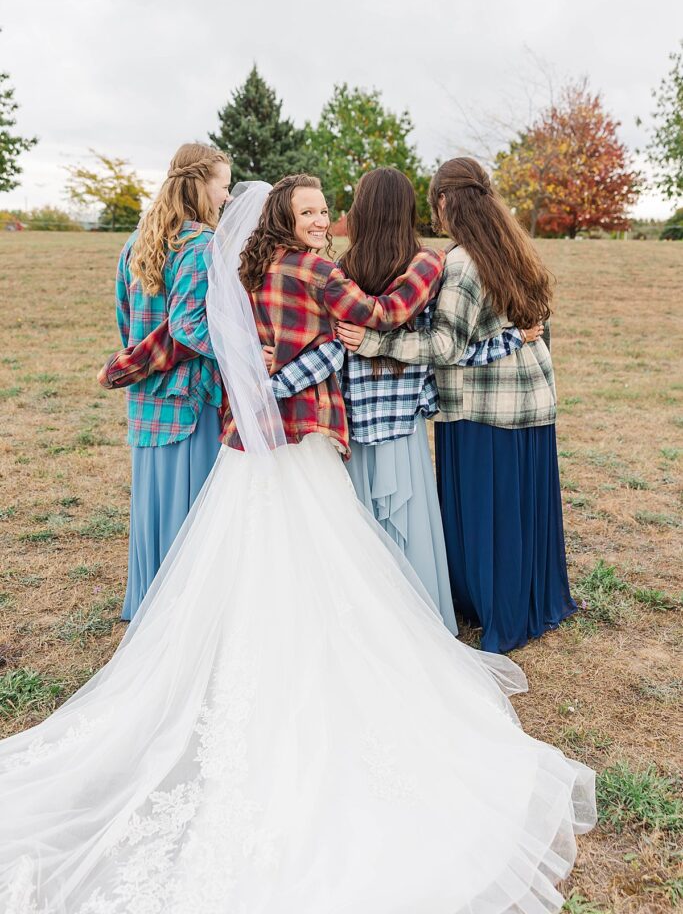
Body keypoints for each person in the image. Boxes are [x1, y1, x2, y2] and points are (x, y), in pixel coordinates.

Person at [0, 179, 594, 913]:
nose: (321, 221)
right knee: (326, 555)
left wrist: (183, 371)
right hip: (303, 441)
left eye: (324, 211)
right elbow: (372, 320)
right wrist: (426, 269)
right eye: (309, 211)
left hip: (247, 450)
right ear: (284, 217)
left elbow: (201, 338)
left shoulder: (241, 271)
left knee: (246, 557)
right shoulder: (315, 271)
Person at [268, 168, 542, 634]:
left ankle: (369, 625)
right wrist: (511, 339)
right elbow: (448, 350)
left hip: (353, 425)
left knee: (359, 529)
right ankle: (418, 625)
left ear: (361, 211)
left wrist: (275, 372)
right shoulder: (426, 267)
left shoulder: (340, 272)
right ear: (406, 211)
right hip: (403, 425)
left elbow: (325, 348)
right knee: (408, 526)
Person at [338, 157, 576, 654]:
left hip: (484, 405)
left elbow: (445, 344)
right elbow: (537, 323)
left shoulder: (463, 264)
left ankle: (500, 612)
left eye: (435, 204)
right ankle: (534, 602)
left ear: (445, 201)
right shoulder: (511, 246)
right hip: (533, 398)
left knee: (491, 517)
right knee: (522, 512)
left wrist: (376, 342)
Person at [114, 142, 230, 620]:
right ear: (201, 185)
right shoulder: (200, 243)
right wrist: (240, 351)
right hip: (189, 401)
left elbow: (125, 320)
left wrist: (140, 363)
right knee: (191, 508)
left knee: (154, 501)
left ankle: (150, 602)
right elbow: (189, 328)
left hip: (146, 399)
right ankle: (183, 615)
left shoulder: (136, 240)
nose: (227, 196)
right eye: (223, 186)